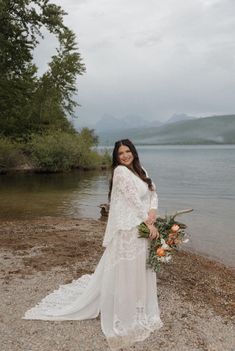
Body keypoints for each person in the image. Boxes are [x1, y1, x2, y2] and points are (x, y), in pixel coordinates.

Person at [23, 139, 163, 350]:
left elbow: (152, 192)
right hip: (129, 228)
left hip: (142, 224)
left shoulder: (140, 170)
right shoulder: (121, 173)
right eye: (120, 153)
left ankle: (138, 303)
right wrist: (148, 222)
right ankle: (124, 310)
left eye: (127, 151)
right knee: (127, 269)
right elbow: (133, 200)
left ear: (134, 152)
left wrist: (153, 211)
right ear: (116, 157)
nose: (124, 156)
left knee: (139, 268)